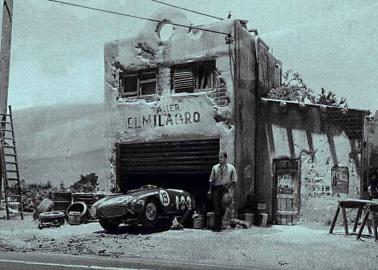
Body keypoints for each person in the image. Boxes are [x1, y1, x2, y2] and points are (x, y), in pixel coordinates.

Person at [208, 152, 237, 232]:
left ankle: (220, 225)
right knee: (216, 207)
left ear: (225, 158)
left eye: (221, 157)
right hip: (216, 188)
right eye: (219, 158)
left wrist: (230, 187)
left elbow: (234, 180)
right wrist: (210, 190)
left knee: (223, 207)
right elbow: (211, 180)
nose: (220, 159)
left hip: (225, 189)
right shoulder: (215, 167)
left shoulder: (231, 168)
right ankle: (217, 226)